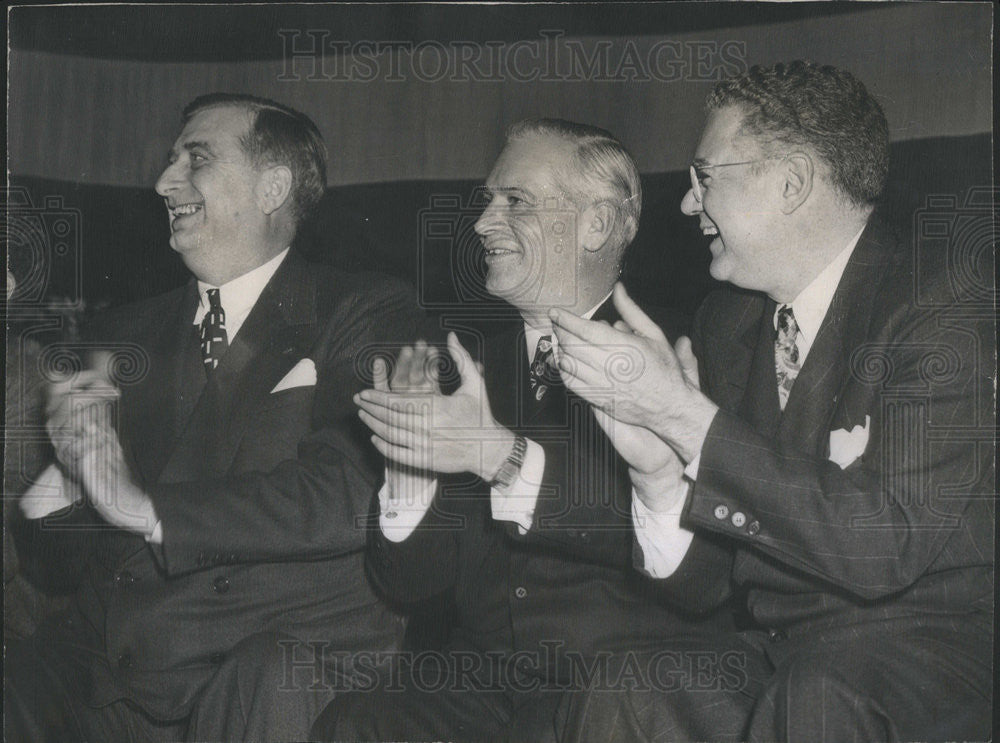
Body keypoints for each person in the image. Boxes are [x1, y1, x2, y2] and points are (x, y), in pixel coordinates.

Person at [550, 61, 994, 741]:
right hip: (789, 657)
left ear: (792, 182)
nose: (687, 204)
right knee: (624, 682)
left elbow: (886, 545)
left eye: (706, 178)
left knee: (815, 696)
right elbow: (709, 587)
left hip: (931, 657)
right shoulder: (726, 324)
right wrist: (657, 473)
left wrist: (683, 415)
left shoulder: (939, 299)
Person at [5, 93, 426, 742]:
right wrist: (63, 476)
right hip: (106, 666)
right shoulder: (121, 334)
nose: (163, 182)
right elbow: (56, 568)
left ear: (273, 186)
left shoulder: (363, 309)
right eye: (170, 160)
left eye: (194, 160)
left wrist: (141, 506)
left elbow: (350, 492)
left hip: (256, 660)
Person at [313, 119, 728, 742]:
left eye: (517, 202)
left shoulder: (682, 356)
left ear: (594, 225)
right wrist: (409, 474)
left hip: (625, 681)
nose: (482, 224)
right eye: (487, 202)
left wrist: (501, 458)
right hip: (486, 690)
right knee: (359, 723)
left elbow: (698, 563)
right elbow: (409, 585)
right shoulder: (473, 371)